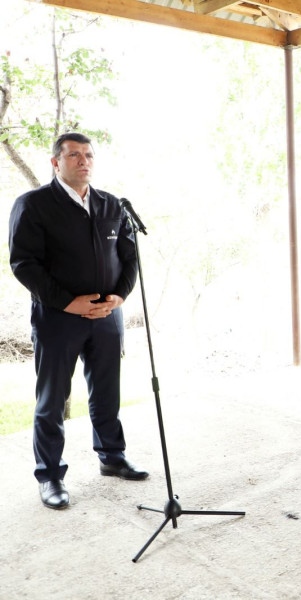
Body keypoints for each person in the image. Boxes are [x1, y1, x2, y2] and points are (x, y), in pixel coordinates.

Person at [8, 132, 147, 510]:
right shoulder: (33, 205)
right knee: (53, 398)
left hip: (106, 317)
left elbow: (129, 257)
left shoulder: (112, 205)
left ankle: (112, 456)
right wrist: (69, 303)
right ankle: (50, 475)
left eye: (88, 154)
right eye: (74, 155)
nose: (83, 160)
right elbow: (24, 263)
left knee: (107, 391)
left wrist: (119, 297)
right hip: (58, 318)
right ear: (56, 162)